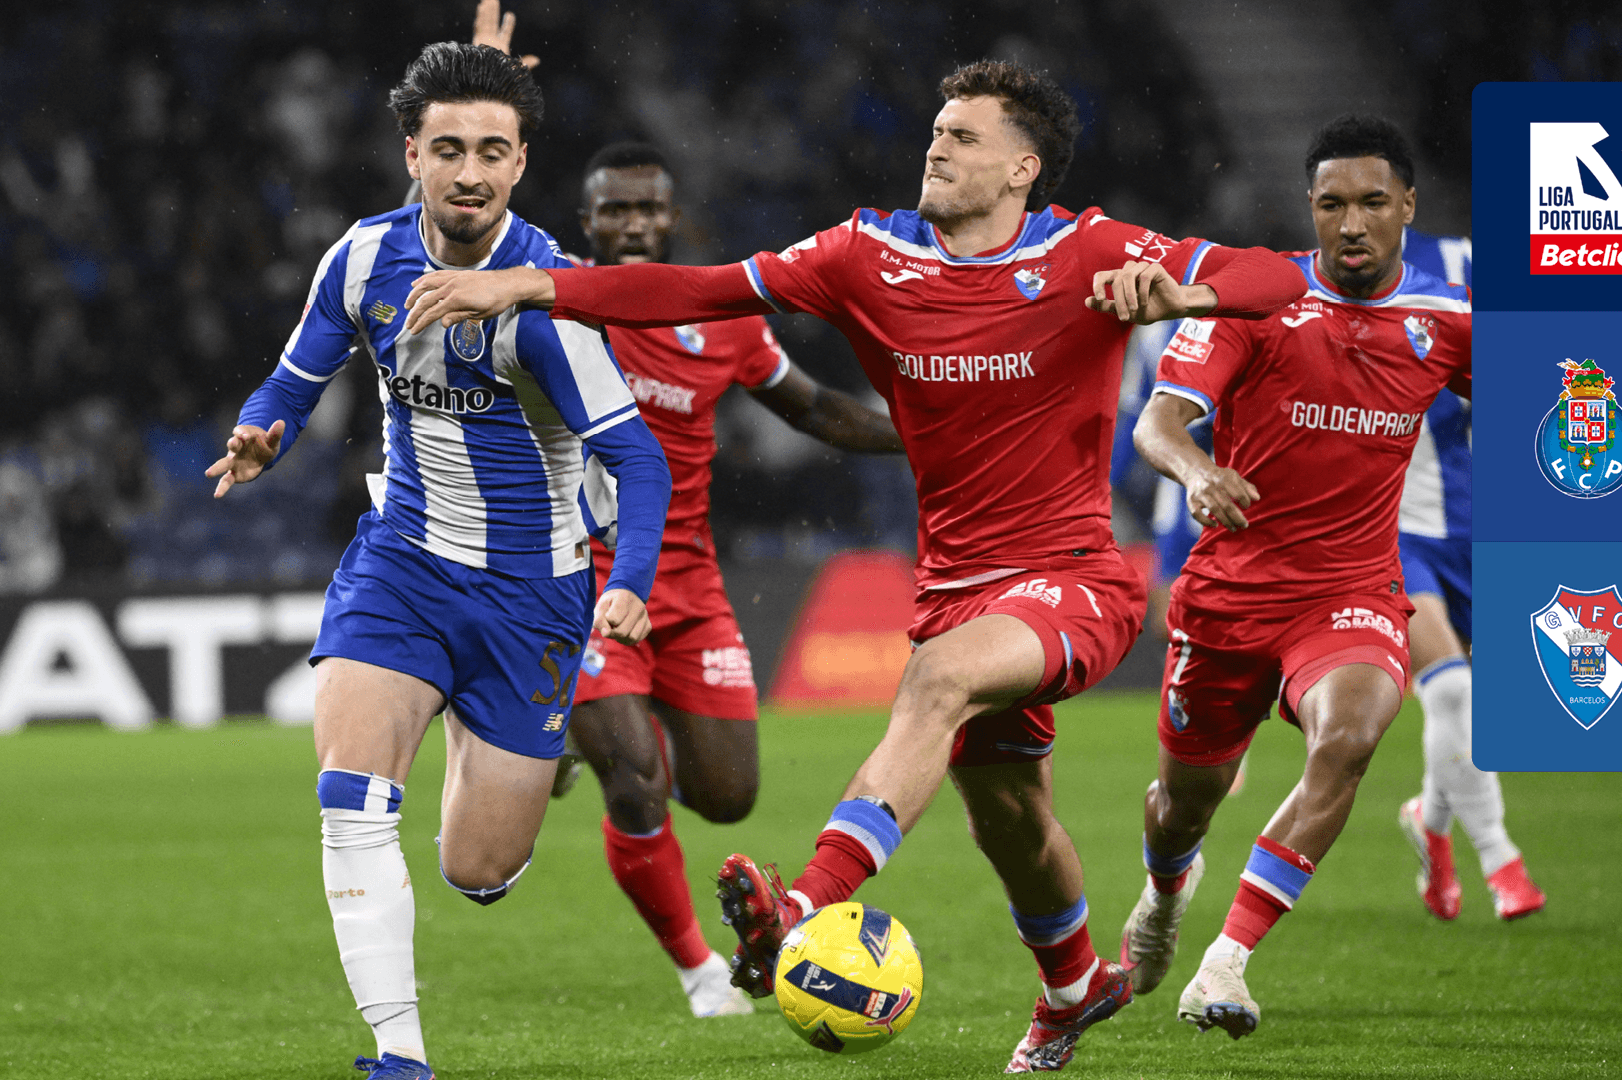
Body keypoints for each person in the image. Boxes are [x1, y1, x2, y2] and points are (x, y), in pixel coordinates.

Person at [403, 60, 1305, 1071]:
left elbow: (1280, 277)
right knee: (1011, 820)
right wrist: (533, 283)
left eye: (964, 135)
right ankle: (1072, 987)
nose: (937, 145)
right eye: (937, 129)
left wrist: (1188, 291)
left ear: (1023, 167)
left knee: (939, 681)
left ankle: (801, 907)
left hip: (1076, 579)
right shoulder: (865, 256)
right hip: (952, 586)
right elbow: (699, 288)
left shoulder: (1091, 250)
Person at [205, 43, 670, 1080]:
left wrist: (630, 584)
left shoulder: (547, 302)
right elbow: (292, 381)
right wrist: (263, 433)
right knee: (351, 802)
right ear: (410, 155)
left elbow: (639, 461)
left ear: (521, 164)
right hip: (403, 563)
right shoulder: (362, 260)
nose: (470, 172)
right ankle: (399, 1054)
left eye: (493, 152)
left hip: (532, 596)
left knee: (478, 869)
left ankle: (504, 742)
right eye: (448, 149)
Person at [1121, 114, 1470, 1040]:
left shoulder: (1446, 323)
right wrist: (1198, 473)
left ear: (1408, 206)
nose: (1351, 224)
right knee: (1182, 807)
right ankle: (1165, 894)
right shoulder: (1257, 301)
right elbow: (1157, 423)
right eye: (1331, 204)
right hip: (1231, 597)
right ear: (1309, 207)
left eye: (1372, 203)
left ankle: (1226, 962)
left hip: (1351, 592)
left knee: (1349, 737)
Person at [560, 139, 904, 1019]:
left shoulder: (724, 320)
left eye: (647, 208)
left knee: (728, 796)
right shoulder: (557, 303)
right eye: (614, 209)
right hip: (583, 578)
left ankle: (579, 735)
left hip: (690, 583)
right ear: (587, 221)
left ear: (672, 219)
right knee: (635, 780)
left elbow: (811, 406)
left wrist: (923, 436)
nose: (632, 224)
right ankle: (700, 970)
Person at [1393, 228, 1547, 922]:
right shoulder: (1329, 287)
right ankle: (1500, 860)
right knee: (1452, 688)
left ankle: (1430, 819)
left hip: (1475, 528)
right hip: (1392, 535)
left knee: (1472, 704)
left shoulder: (1463, 268)